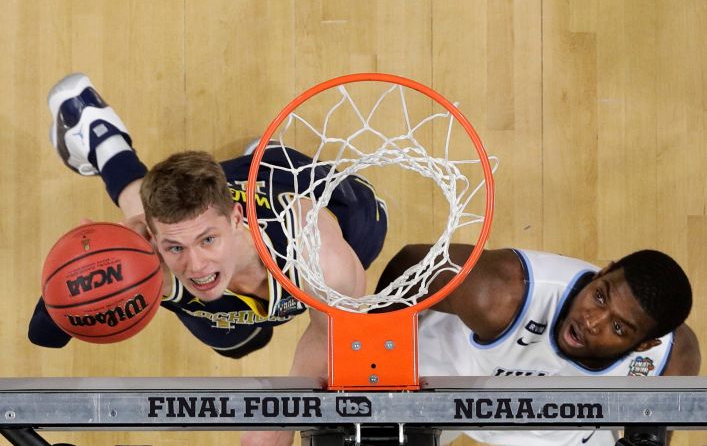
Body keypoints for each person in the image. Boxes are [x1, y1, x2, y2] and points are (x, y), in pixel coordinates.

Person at [28, 73, 388, 446]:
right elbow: (43, 333)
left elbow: (326, 336)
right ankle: (99, 134)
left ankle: (260, 156)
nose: (196, 266)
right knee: (238, 340)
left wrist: (278, 425)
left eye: (208, 240)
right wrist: (82, 263)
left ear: (235, 219)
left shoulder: (319, 252)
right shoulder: (148, 243)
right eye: (176, 248)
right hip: (209, 214)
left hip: (317, 200)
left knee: (356, 257)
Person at [376, 244, 700, 446]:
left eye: (617, 327)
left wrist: (648, 435)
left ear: (644, 345)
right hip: (448, 379)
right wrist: (376, 355)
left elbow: (682, 349)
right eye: (599, 296)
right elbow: (412, 264)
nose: (592, 321)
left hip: (556, 431)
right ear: (603, 271)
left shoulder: (670, 358)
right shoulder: (501, 293)